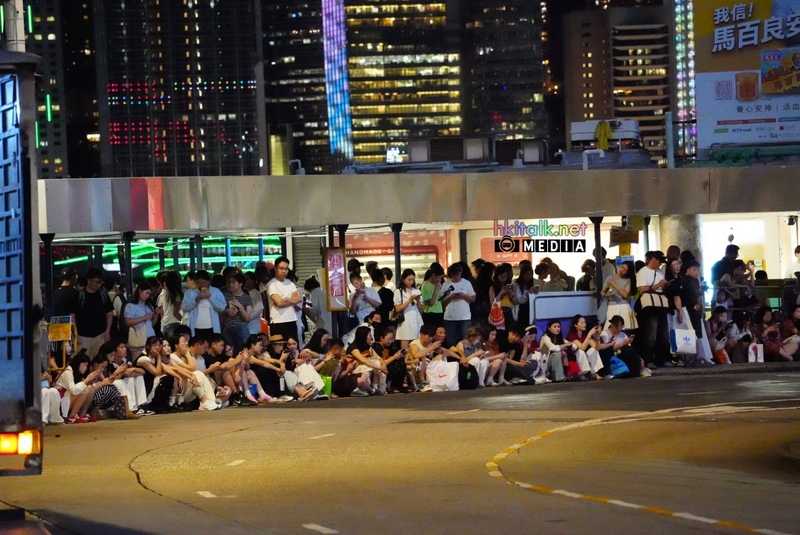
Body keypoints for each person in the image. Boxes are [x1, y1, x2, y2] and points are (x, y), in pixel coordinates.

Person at [635, 251, 670, 368]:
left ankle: (662, 359)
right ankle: (649, 359)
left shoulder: (660, 271)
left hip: (661, 303)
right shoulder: (643, 271)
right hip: (650, 305)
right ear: (653, 259)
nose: (660, 264)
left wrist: (665, 285)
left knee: (663, 334)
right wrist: (658, 285)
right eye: (659, 261)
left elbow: (662, 287)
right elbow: (642, 289)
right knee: (651, 334)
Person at [75, 268, 114, 357]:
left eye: (100, 282)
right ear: (88, 280)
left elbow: (109, 314)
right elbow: (72, 316)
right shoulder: (79, 296)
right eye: (96, 282)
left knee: (99, 360)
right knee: (82, 361)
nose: (98, 285)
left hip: (100, 335)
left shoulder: (103, 295)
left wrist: (107, 331)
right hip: (82, 336)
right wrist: (75, 334)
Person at [181, 270, 227, 339]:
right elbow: (184, 308)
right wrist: (196, 300)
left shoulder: (216, 291)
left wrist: (210, 297)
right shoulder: (190, 292)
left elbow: (222, 307)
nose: (201, 285)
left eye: (203, 282)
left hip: (212, 326)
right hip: (195, 326)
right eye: (198, 283)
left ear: (209, 281)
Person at [266, 257, 303, 343]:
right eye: (281, 268)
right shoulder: (271, 284)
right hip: (277, 321)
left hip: (292, 320)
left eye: (286, 269)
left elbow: (299, 299)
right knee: (279, 348)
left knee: (293, 347)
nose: (284, 271)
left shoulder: (290, 284)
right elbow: (279, 303)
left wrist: (286, 299)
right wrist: (292, 300)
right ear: (275, 268)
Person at [441, 263, 476, 348]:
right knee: (451, 341)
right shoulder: (446, 284)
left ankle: (465, 354)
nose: (456, 277)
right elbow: (442, 302)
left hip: (464, 317)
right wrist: (451, 297)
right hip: (450, 317)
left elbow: (473, 299)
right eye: (454, 275)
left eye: (458, 274)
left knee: (466, 340)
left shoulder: (466, 283)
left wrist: (464, 296)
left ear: (461, 272)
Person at [124, 281, 159, 359]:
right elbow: (128, 322)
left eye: (149, 294)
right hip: (138, 340)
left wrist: (156, 314)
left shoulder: (148, 306)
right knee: (138, 362)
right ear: (140, 291)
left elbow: (151, 324)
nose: (148, 296)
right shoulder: (131, 306)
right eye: (146, 293)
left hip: (150, 339)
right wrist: (144, 318)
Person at [221, 272, 253, 356]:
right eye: (230, 282)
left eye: (233, 282)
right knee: (229, 352)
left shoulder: (247, 298)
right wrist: (227, 310)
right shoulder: (226, 296)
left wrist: (240, 306)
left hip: (241, 327)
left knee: (242, 350)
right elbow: (220, 311)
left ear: (240, 284)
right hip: (228, 327)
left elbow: (247, 318)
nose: (231, 285)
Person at [601, 260, 638, 330]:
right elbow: (602, 292)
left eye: (625, 270)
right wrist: (606, 295)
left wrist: (614, 285)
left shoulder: (627, 280)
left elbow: (625, 295)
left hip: (624, 306)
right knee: (611, 328)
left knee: (625, 328)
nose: (622, 270)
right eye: (622, 267)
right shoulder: (610, 278)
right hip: (612, 305)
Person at [393, 268, 423, 348]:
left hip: (416, 318)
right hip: (405, 319)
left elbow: (421, 311)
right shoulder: (399, 291)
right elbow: (398, 308)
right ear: (403, 279)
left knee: (418, 343)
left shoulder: (417, 291)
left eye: (413, 280)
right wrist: (409, 300)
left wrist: (418, 301)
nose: (411, 282)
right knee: (405, 342)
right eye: (409, 280)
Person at [158, 271, 183, 341]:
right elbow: (175, 313)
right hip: (174, 324)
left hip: (164, 325)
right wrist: (184, 321)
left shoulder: (163, 294)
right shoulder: (177, 294)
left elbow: (161, 312)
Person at [420, 263, 446, 328]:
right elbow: (431, 302)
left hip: (439, 311)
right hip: (430, 313)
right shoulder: (425, 285)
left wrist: (446, 294)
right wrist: (436, 289)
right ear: (433, 275)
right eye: (439, 277)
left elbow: (439, 300)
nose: (440, 280)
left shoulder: (438, 284)